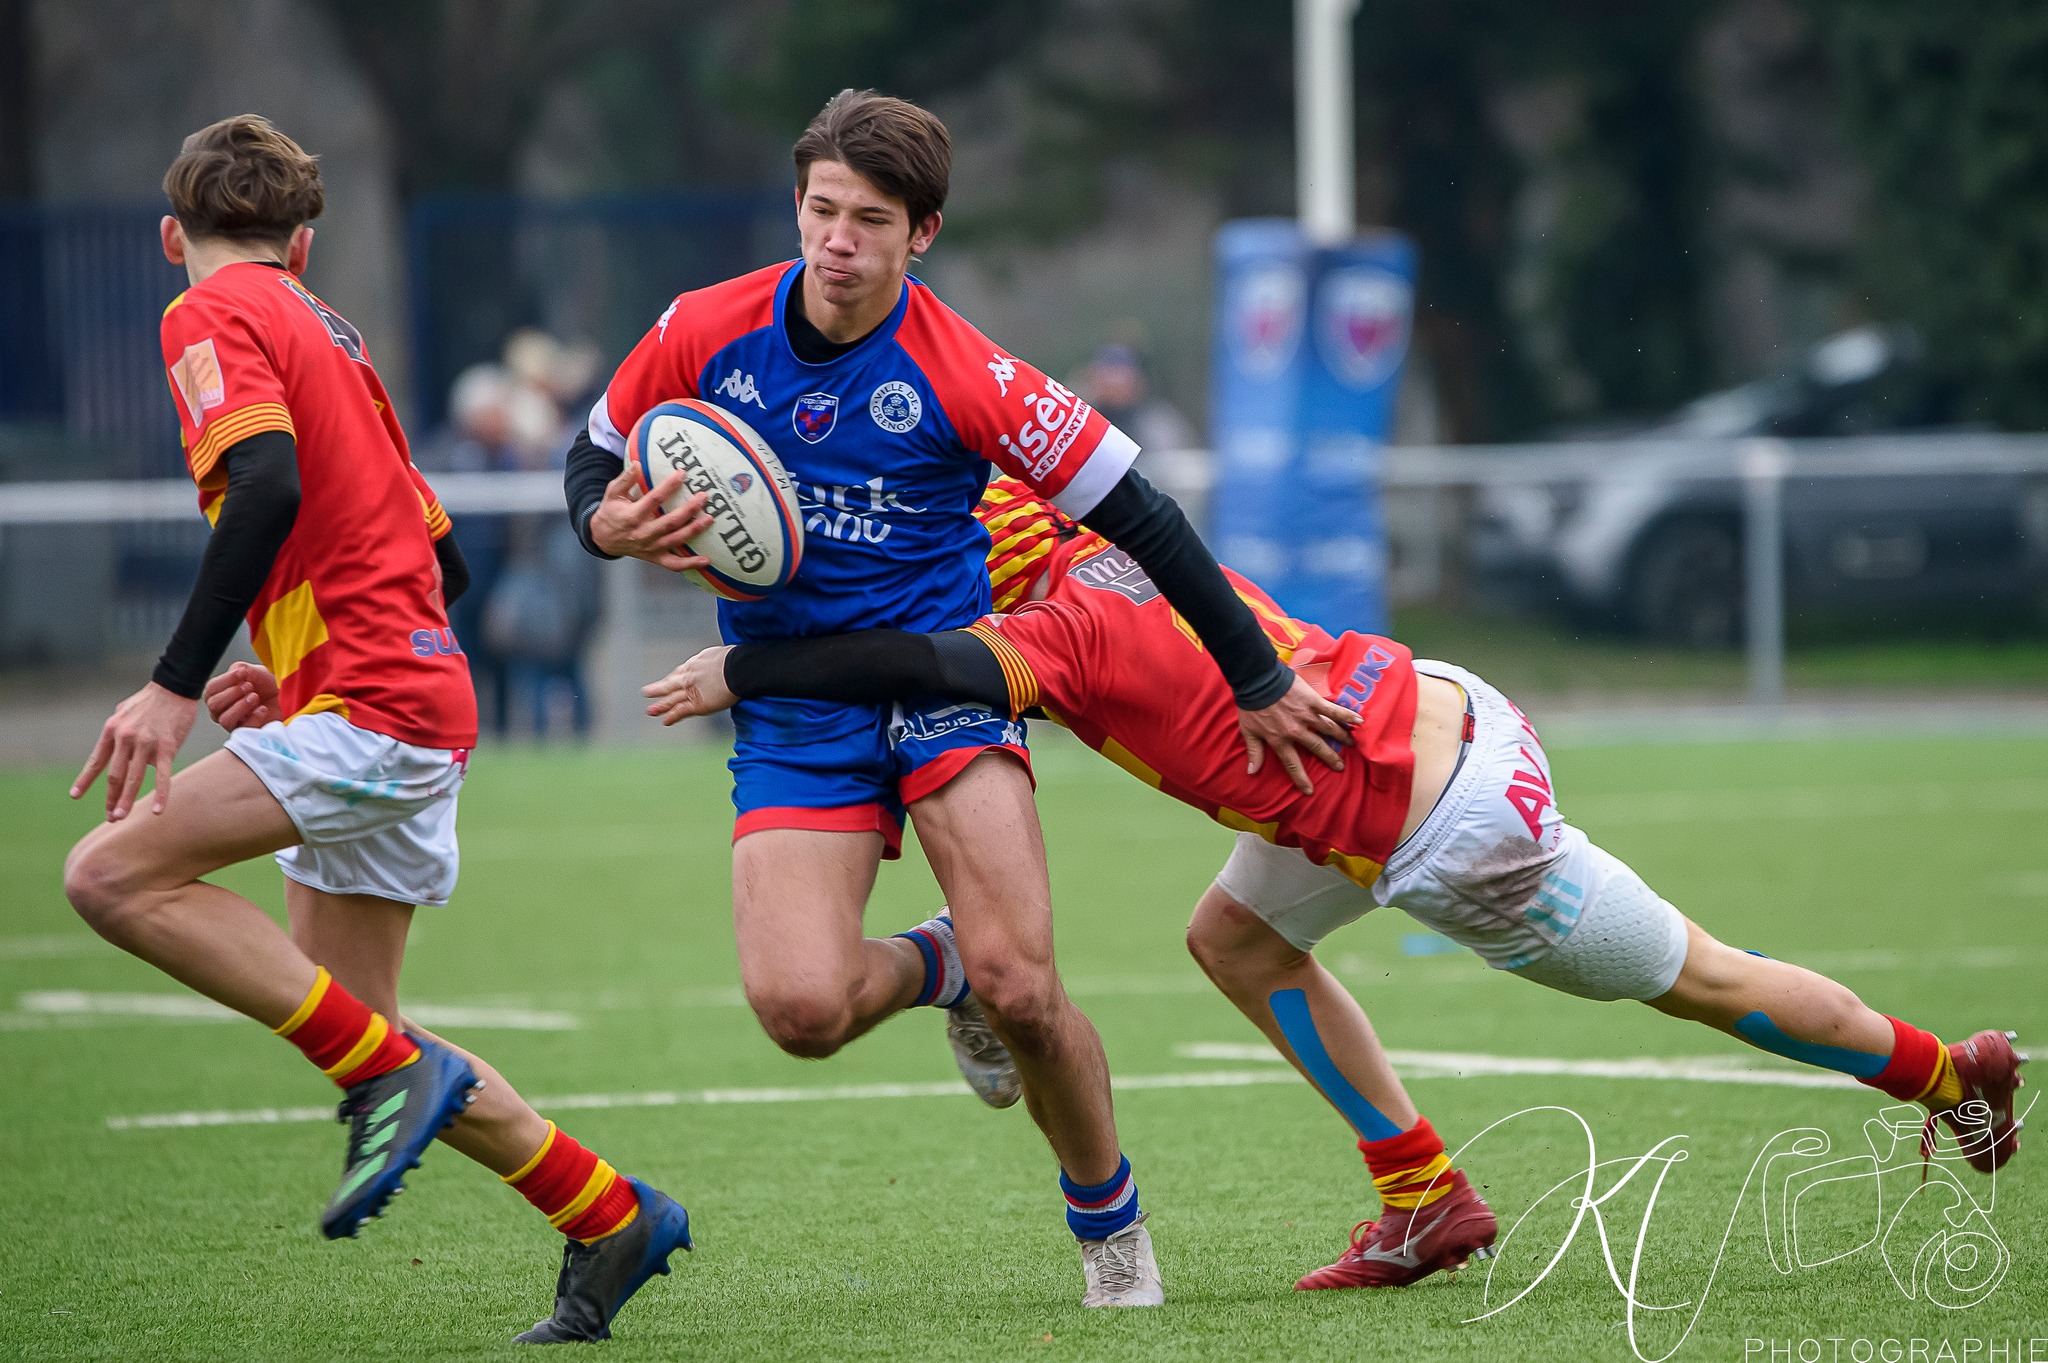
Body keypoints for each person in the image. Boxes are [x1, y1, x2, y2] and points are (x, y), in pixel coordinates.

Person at [644, 473, 2030, 1290]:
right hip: (1419, 710)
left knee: (1703, 978)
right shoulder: (1080, 532)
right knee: (1233, 939)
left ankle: (1947, 1073)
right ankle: (1422, 1194)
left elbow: (911, 661)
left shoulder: (1053, 632)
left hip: (1446, 827)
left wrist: (743, 667)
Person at [563, 88, 1355, 1307]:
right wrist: (602, 523)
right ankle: (941, 963)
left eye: (869, 221)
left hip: (939, 681)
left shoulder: (967, 371)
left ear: (921, 233)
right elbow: (593, 453)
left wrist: (1256, 677)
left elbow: (1142, 514)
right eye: (820, 210)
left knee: (1026, 988)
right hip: (795, 706)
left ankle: (1112, 1239)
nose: (836, 241)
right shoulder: (705, 327)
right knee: (801, 1010)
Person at [61, 115, 689, 1345]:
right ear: (303, 245)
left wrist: (176, 684)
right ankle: (610, 1213)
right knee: (363, 1023)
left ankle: (396, 1078)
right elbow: (437, 562)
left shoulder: (207, 312)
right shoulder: (333, 335)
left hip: (378, 710)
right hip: (399, 694)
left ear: (171, 237)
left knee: (108, 876)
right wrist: (297, 675)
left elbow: (268, 485)